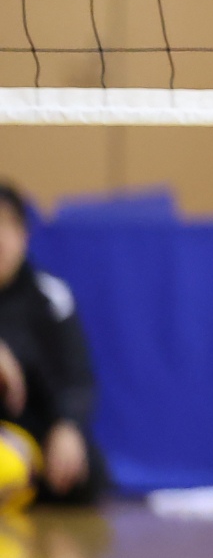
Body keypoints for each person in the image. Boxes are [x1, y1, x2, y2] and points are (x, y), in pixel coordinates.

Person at [0, 184, 104, 504]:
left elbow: (76, 376)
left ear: (24, 235)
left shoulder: (49, 296)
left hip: (30, 432)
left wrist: (68, 425)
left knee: (86, 471)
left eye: (7, 226)